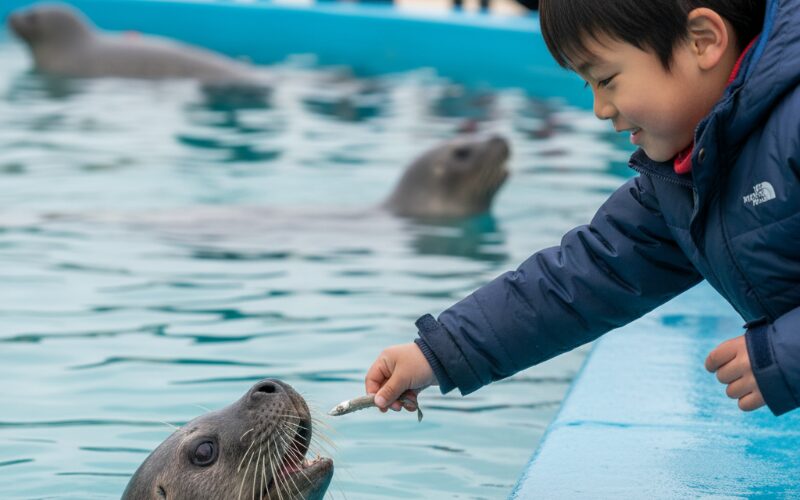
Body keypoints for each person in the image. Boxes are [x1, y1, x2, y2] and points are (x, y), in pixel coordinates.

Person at [366, 0, 800, 418]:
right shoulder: (690, 173)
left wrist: (785, 353)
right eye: (588, 85)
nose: (599, 109)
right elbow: (587, 274)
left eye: (606, 79)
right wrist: (440, 352)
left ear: (702, 41)